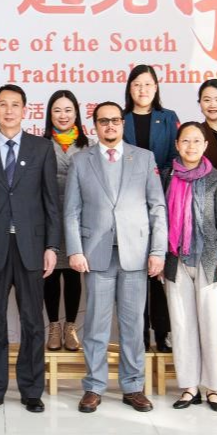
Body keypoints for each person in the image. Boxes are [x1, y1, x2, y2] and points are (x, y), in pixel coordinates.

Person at [64, 101, 166, 413]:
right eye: (103, 121)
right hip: (97, 254)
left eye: (115, 120)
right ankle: (94, 386)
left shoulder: (144, 158)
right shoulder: (81, 161)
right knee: (96, 324)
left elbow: (157, 207)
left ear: (122, 124)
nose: (110, 126)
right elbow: (71, 211)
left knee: (133, 326)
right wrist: (75, 250)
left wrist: (158, 250)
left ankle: (133, 386)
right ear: (94, 126)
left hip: (135, 254)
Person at [0, 84, 62, 413]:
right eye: (3, 105)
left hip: (31, 246)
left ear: (25, 110)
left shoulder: (42, 148)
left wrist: (52, 246)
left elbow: (51, 202)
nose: (8, 111)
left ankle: (31, 390)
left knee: (33, 320)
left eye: (15, 105)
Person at [163, 122, 217, 412]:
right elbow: (158, 219)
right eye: (185, 141)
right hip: (175, 260)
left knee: (210, 325)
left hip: (209, 260)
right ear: (177, 145)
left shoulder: (215, 178)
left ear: (205, 146)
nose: (190, 146)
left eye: (196, 141)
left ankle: (213, 387)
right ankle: (189, 387)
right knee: (182, 325)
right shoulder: (166, 176)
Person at [122, 64, 179, 353]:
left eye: (148, 84)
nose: (142, 89)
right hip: (128, 203)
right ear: (129, 89)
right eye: (137, 84)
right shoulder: (121, 119)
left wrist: (158, 180)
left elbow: (175, 157)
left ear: (156, 88)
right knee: (134, 273)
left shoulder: (168, 117)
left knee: (158, 271)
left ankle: (162, 333)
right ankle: (140, 334)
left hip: (162, 199)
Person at [42, 89, 88, 352]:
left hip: (78, 220)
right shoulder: (40, 145)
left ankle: (70, 326)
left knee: (72, 275)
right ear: (50, 114)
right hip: (48, 217)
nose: (63, 115)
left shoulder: (88, 145)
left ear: (76, 113)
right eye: (57, 110)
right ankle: (53, 326)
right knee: (50, 273)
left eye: (68, 110)